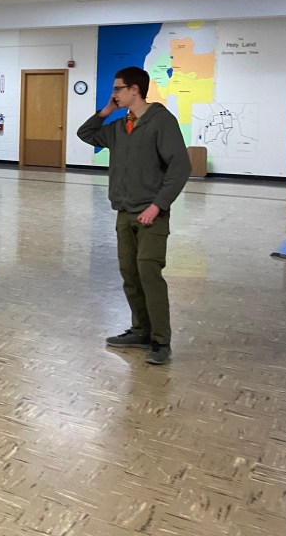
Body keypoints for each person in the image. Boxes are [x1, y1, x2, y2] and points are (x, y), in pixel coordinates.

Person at [77, 66, 191, 365]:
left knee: (149, 274)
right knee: (130, 274)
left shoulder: (161, 121)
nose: (114, 94)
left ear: (134, 90)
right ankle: (141, 330)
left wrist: (157, 205)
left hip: (151, 215)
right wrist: (106, 111)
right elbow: (85, 134)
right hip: (124, 212)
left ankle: (160, 341)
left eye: (118, 89)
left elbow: (180, 167)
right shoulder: (119, 126)